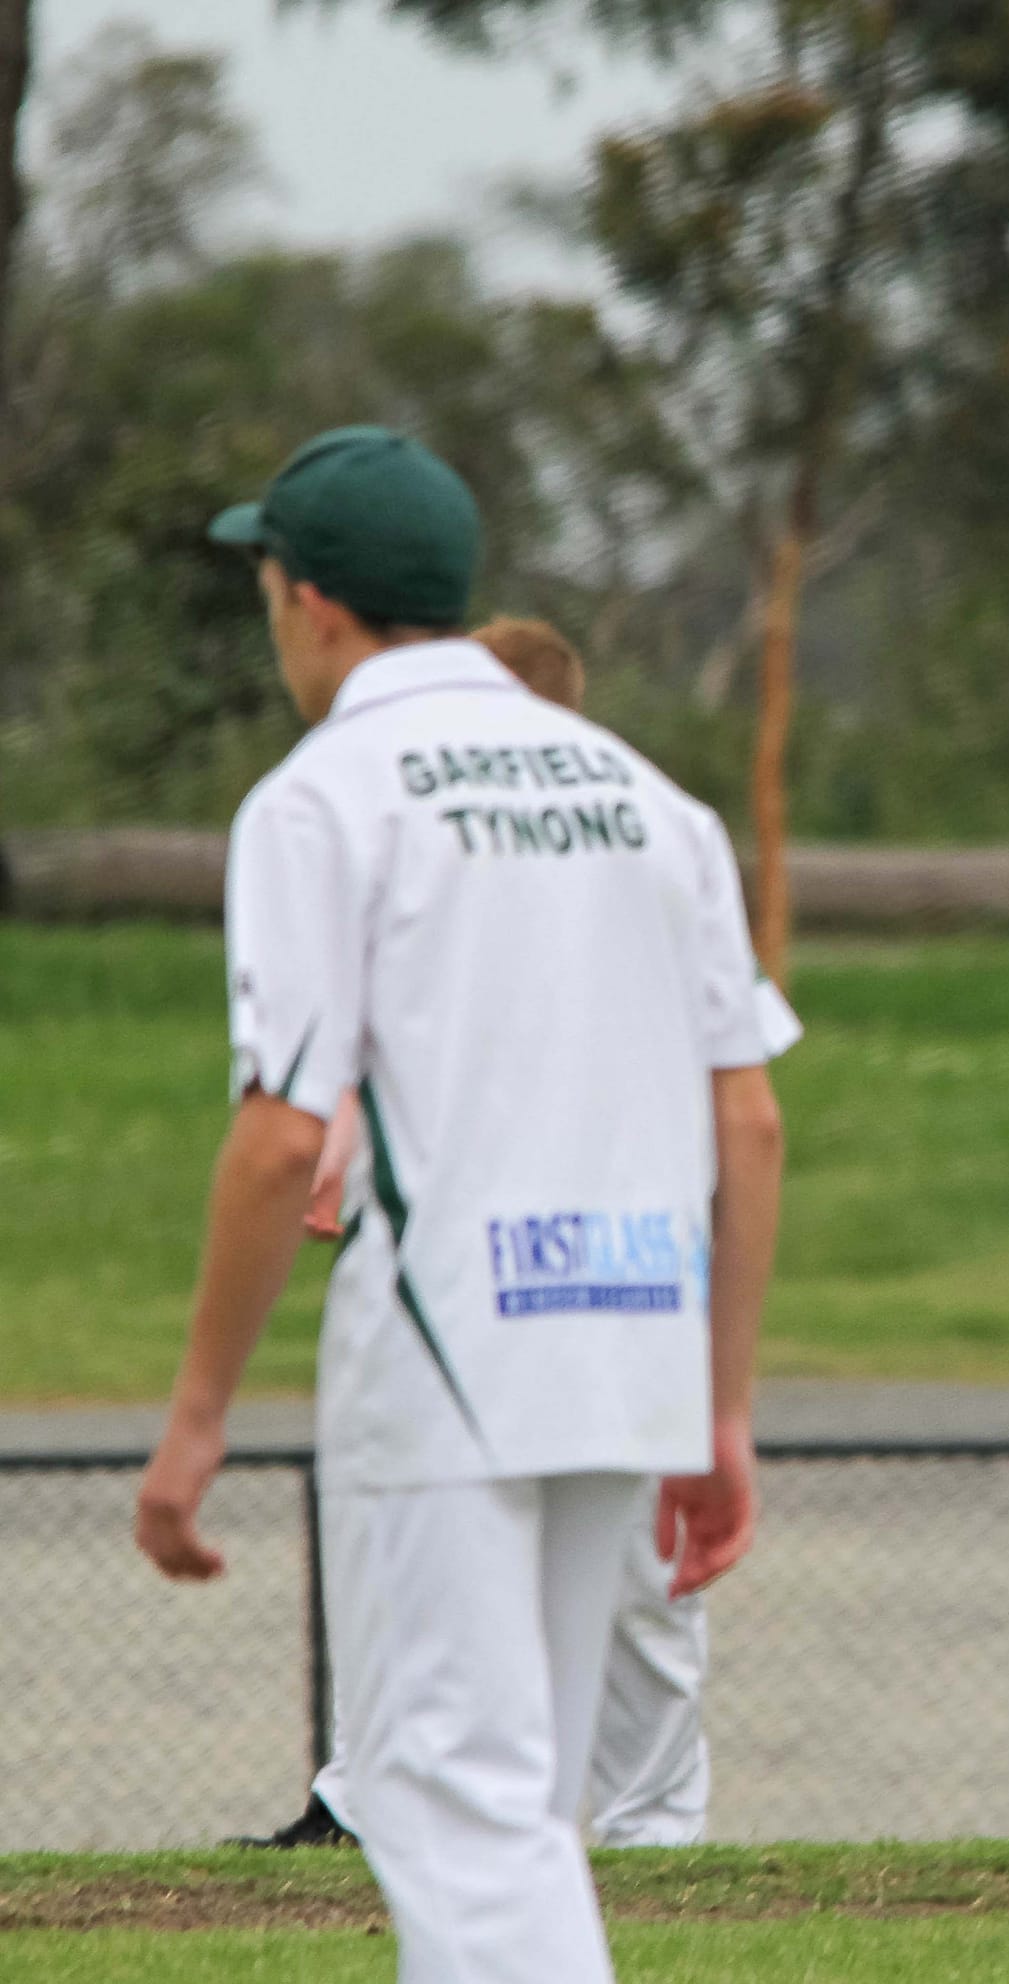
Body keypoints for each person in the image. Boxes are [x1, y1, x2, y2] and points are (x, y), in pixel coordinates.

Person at [134, 425, 785, 1982]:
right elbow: (748, 1121)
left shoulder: (320, 799)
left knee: (448, 1809)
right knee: (522, 1813)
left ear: (307, 604)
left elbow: (286, 1136)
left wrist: (199, 1414)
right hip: (626, 1348)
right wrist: (724, 1410)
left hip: (446, 1361)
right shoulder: (650, 798)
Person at [261, 614, 798, 1855]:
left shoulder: (607, 849)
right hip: (631, 1272)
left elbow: (738, 1104)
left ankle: (630, 1831)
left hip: (523, 1270)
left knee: (533, 1555)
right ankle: (403, 1802)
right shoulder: (656, 834)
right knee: (544, 1560)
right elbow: (746, 1117)